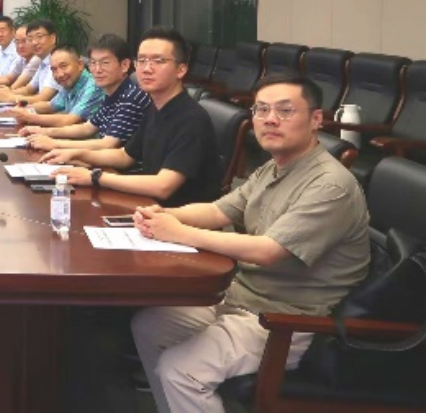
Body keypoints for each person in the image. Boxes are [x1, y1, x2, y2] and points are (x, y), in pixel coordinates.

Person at [131, 75, 370, 413]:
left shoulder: (330, 185)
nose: (270, 119)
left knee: (181, 370)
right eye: (261, 110)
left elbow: (267, 251)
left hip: (287, 320)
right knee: (150, 326)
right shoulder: (273, 167)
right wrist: (163, 215)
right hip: (241, 298)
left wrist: (178, 232)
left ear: (316, 119)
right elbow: (218, 210)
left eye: (285, 111)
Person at [45, 27, 222, 208]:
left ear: (181, 70)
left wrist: (95, 177)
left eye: (158, 61)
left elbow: (163, 186)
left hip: (177, 216)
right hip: (147, 206)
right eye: (142, 61)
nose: (147, 69)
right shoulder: (155, 107)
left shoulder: (191, 119)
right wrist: (77, 154)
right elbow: (125, 155)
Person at [26, 34, 152, 152]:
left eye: (105, 63)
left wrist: (55, 144)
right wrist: (43, 132)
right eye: (93, 63)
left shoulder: (131, 96)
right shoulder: (111, 94)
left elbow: (107, 144)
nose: (97, 70)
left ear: (124, 65)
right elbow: (87, 128)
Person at [11, 45, 105, 129]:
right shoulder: (70, 82)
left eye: (63, 66)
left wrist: (30, 117)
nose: (59, 74)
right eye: (54, 69)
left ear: (80, 64)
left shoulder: (94, 86)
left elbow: (69, 120)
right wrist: (24, 109)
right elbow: (51, 106)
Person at [0, 20, 62, 105]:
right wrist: (8, 92)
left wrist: (10, 97)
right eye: (30, 39)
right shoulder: (43, 61)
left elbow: (43, 98)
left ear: (53, 38)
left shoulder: (57, 61)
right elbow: (28, 89)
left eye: (39, 37)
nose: (34, 42)